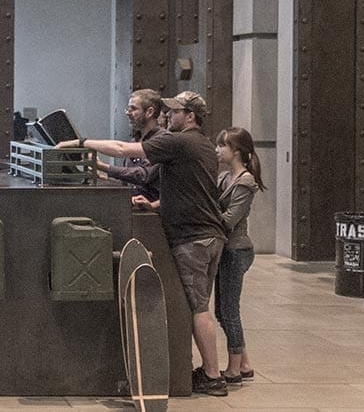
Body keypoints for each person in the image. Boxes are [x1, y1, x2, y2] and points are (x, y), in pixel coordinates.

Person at [141, 91, 230, 397]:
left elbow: (125, 149)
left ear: (190, 116)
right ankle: (213, 370)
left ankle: (213, 375)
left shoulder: (180, 141)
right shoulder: (204, 145)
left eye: (175, 112)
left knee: (198, 308)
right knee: (201, 304)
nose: (168, 116)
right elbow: (193, 190)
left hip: (193, 239)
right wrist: (156, 205)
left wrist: (83, 145)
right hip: (209, 235)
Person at [212, 126, 264, 386]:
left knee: (229, 311)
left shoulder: (245, 182)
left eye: (223, 145)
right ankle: (244, 363)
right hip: (226, 249)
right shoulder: (225, 177)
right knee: (222, 311)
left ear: (237, 151)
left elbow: (229, 220)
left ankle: (233, 368)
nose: (218, 149)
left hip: (237, 250)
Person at [71, 88, 164, 206]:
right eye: (128, 109)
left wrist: (102, 166)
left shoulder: (161, 142)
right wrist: (102, 177)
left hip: (152, 213)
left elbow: (141, 176)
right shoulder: (135, 140)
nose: (128, 113)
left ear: (149, 112)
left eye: (133, 109)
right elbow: (128, 183)